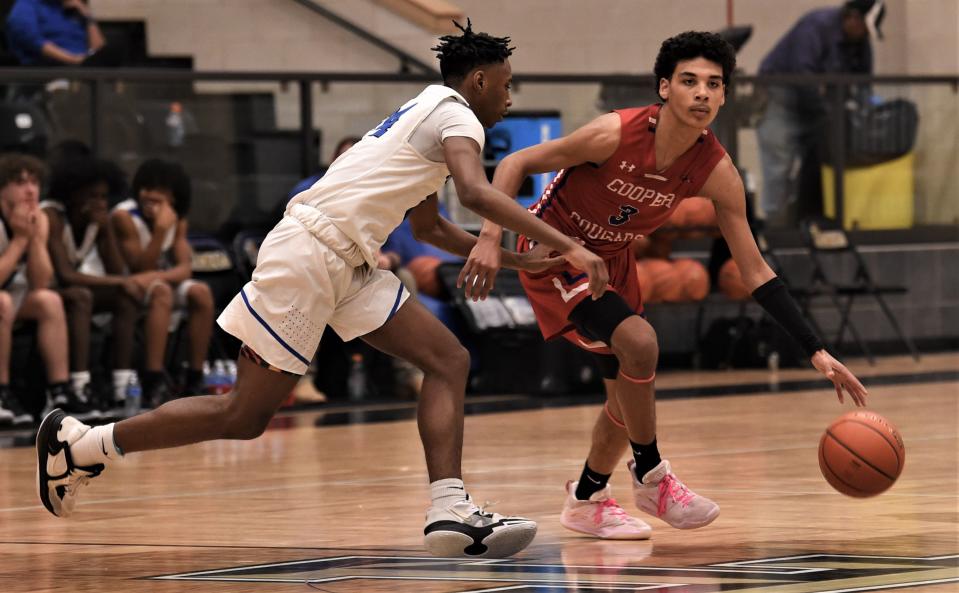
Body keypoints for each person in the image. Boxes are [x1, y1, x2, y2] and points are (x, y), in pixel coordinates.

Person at [35, 20, 608, 559]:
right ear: (479, 80)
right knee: (244, 416)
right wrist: (573, 247)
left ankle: (450, 511)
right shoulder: (457, 113)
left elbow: (429, 227)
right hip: (310, 251)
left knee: (447, 359)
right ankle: (85, 444)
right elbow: (479, 194)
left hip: (348, 263)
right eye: (507, 84)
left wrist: (516, 259)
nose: (510, 96)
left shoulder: (424, 115)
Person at [459, 31, 869, 540]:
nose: (702, 93)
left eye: (713, 84)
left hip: (613, 261)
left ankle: (587, 498)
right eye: (689, 81)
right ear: (664, 88)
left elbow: (756, 270)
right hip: (555, 253)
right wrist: (491, 239)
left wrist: (817, 350)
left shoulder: (716, 171)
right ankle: (652, 475)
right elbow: (518, 162)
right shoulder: (613, 133)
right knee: (640, 343)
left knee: (624, 393)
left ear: (723, 97)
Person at [42, 155, 172, 414]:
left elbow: (115, 268)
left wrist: (105, 229)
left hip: (66, 291)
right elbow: (65, 275)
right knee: (82, 296)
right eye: (93, 196)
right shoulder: (51, 216)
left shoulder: (96, 222)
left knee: (124, 296)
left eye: (103, 197)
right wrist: (124, 280)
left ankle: (122, 386)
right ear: (73, 193)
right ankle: (79, 386)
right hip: (40, 289)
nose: (100, 203)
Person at [756, 0, 886, 225]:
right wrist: (829, 111)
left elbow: (863, 83)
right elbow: (803, 74)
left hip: (818, 104)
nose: (864, 34)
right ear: (852, 17)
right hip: (782, 96)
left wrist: (864, 111)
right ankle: (775, 225)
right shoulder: (816, 26)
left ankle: (808, 220)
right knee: (779, 159)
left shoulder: (860, 41)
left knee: (816, 159)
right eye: (864, 27)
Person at [108, 158, 215, 404]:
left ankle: (194, 376)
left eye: (160, 191)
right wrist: (159, 231)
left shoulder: (178, 220)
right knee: (161, 292)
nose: (150, 195)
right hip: (122, 285)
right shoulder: (124, 216)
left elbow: (185, 269)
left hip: (153, 281)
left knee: (200, 292)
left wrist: (155, 276)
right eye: (146, 188)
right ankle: (153, 379)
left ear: (174, 197)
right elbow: (138, 266)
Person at [0, 153, 94, 426]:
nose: (30, 189)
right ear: (3, 189)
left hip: (13, 298)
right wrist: (19, 240)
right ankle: (2, 393)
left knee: (49, 300)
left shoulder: (37, 217)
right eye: (20, 183)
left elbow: (41, 281)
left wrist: (35, 240)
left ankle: (59, 392)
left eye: (34, 182)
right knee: (2, 301)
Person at [5, 0, 122, 67]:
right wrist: (75, 60)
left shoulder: (72, 8)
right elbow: (33, 41)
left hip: (86, 68)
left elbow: (98, 49)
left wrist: (88, 17)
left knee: (117, 47)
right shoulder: (27, 5)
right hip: (50, 67)